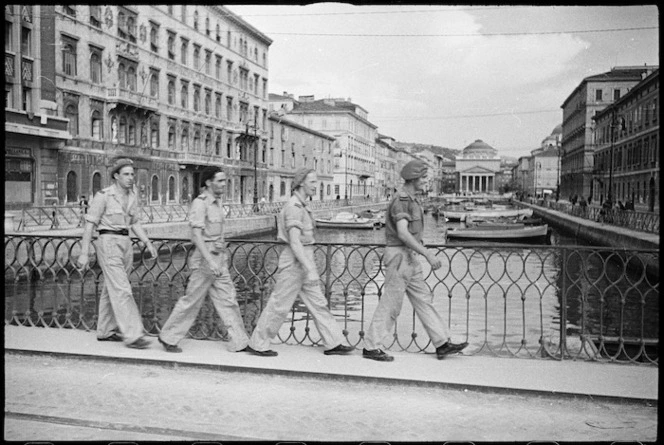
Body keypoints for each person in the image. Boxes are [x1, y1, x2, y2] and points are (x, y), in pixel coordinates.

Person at [363, 160, 468, 362]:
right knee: (391, 304)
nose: (426, 182)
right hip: (399, 258)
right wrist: (428, 254)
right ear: (413, 179)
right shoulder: (402, 201)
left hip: (409, 257)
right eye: (423, 178)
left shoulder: (412, 199)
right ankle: (371, 346)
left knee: (424, 300)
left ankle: (442, 343)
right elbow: (402, 233)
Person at [245, 168, 354, 357]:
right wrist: (308, 267)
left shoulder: (303, 206)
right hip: (295, 261)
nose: (315, 186)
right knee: (279, 304)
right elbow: (295, 241)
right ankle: (258, 344)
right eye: (312, 182)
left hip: (304, 259)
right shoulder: (294, 207)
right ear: (302, 182)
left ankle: (333, 342)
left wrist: (308, 265)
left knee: (318, 303)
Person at [158, 167, 249, 353]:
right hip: (205, 260)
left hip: (218, 258)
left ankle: (240, 341)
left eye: (224, 181)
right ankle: (168, 337)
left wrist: (218, 257)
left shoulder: (216, 203)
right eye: (220, 181)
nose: (224, 184)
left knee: (228, 299)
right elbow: (197, 236)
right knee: (192, 300)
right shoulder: (200, 204)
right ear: (208, 182)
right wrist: (210, 260)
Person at [78, 158, 157, 349]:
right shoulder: (103, 196)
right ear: (116, 176)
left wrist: (147, 243)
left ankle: (105, 331)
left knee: (110, 287)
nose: (131, 178)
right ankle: (133, 335)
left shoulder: (132, 196)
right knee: (122, 289)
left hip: (126, 244)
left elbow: (134, 222)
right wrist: (84, 252)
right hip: (108, 242)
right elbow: (89, 225)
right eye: (126, 174)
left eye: (132, 174)